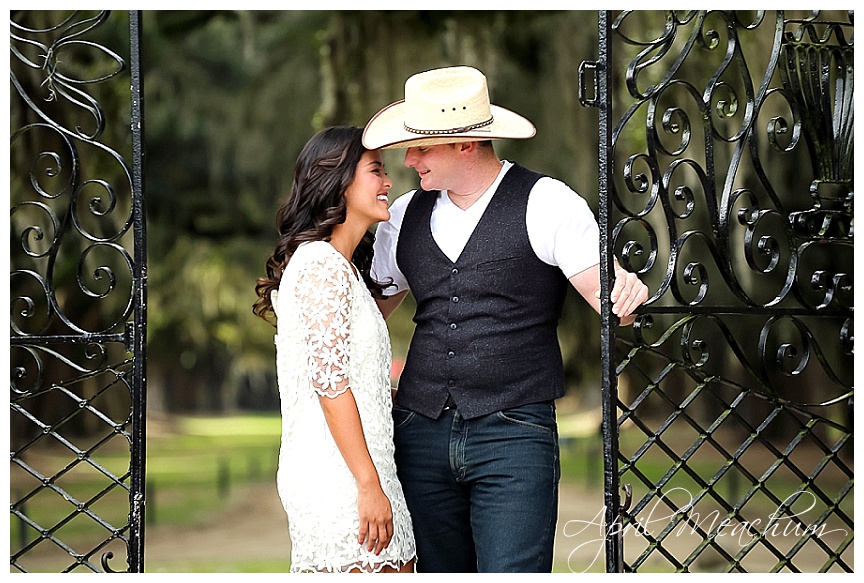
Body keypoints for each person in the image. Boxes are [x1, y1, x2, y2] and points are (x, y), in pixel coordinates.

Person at [362, 66, 649, 572]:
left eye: (422, 148)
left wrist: (627, 291)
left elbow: (611, 303)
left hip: (513, 432)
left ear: (466, 145)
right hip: (419, 431)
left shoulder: (548, 203)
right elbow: (366, 317)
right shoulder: (404, 215)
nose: (408, 161)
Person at [253, 126, 416, 573]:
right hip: (342, 480)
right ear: (337, 180)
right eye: (376, 171)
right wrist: (367, 484)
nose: (388, 182)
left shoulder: (341, 270)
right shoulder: (319, 265)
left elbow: (359, 341)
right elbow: (330, 383)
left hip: (367, 470)